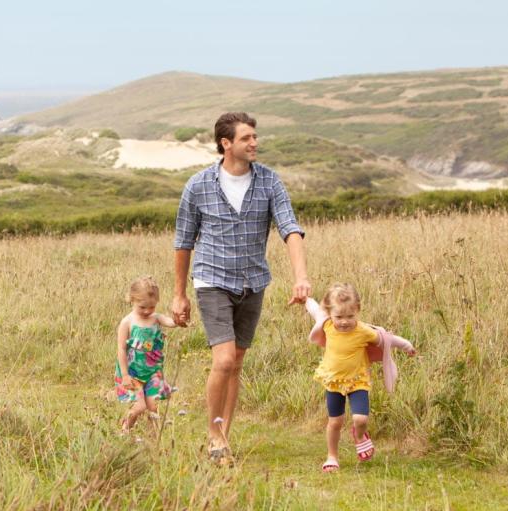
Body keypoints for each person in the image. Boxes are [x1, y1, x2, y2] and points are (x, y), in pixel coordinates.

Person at [172, 112, 310, 465]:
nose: (254, 143)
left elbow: (290, 229)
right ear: (226, 143)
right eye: (247, 137)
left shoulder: (269, 182)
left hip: (253, 281)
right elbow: (183, 242)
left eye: (255, 137)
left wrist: (300, 276)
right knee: (224, 359)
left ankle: (223, 438)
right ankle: (214, 434)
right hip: (212, 280)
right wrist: (179, 293)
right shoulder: (198, 185)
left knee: (237, 364)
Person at [303, 283, 417, 472]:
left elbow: (387, 339)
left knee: (361, 419)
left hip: (358, 382)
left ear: (358, 311)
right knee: (335, 422)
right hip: (333, 382)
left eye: (350, 316)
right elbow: (315, 310)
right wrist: (305, 299)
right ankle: (332, 456)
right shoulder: (328, 325)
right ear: (331, 313)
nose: (344, 321)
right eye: (339, 316)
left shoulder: (364, 331)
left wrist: (407, 346)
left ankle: (359, 434)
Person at [115, 276, 180, 436]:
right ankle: (125, 429)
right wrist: (124, 375)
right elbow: (121, 349)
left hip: (152, 372)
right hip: (133, 373)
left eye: (151, 307)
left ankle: (153, 437)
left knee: (152, 405)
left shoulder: (156, 318)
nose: (147, 311)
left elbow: (171, 322)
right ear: (132, 300)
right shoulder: (127, 322)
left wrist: (180, 320)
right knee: (140, 406)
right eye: (142, 307)